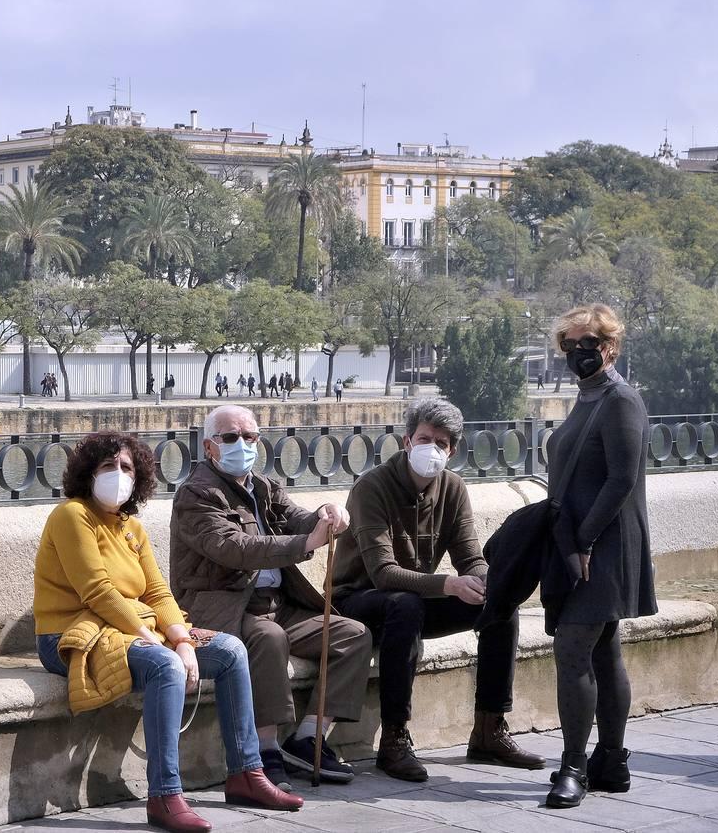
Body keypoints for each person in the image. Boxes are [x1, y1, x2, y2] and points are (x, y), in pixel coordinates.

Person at [34, 431, 302, 832]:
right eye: (108, 467)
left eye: (126, 467)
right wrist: (157, 640)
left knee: (230, 651)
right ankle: (165, 794)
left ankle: (247, 773)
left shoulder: (131, 528)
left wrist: (180, 636)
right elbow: (99, 592)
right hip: (70, 634)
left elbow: (158, 591)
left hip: (126, 628)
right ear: (87, 474)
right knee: (165, 666)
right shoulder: (72, 515)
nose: (118, 474)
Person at [331, 397, 544, 782]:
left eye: (442, 443)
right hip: (358, 601)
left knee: (500, 604)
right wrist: (449, 584)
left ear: (453, 450)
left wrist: (484, 582)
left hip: (412, 602)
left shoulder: (453, 488)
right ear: (407, 441)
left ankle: (489, 729)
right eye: (425, 438)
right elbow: (382, 574)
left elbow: (469, 555)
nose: (432, 448)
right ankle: (394, 739)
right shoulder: (372, 487)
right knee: (406, 605)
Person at [171, 405, 372, 788]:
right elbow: (234, 547)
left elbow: (296, 517)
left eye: (249, 437)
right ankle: (265, 748)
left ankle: (308, 738)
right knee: (268, 638)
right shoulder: (196, 495)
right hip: (224, 607)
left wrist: (324, 516)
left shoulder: (262, 485)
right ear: (209, 445)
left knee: (352, 634)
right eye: (230, 437)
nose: (241, 444)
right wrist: (305, 542)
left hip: (278, 604)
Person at [542, 305, 656, 809]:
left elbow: (621, 480)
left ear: (610, 345)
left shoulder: (620, 400)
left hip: (604, 543)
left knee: (572, 649)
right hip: (583, 541)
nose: (576, 352)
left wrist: (584, 542)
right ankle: (611, 761)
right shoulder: (587, 399)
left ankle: (575, 766)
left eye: (585, 341)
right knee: (604, 652)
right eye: (568, 344)